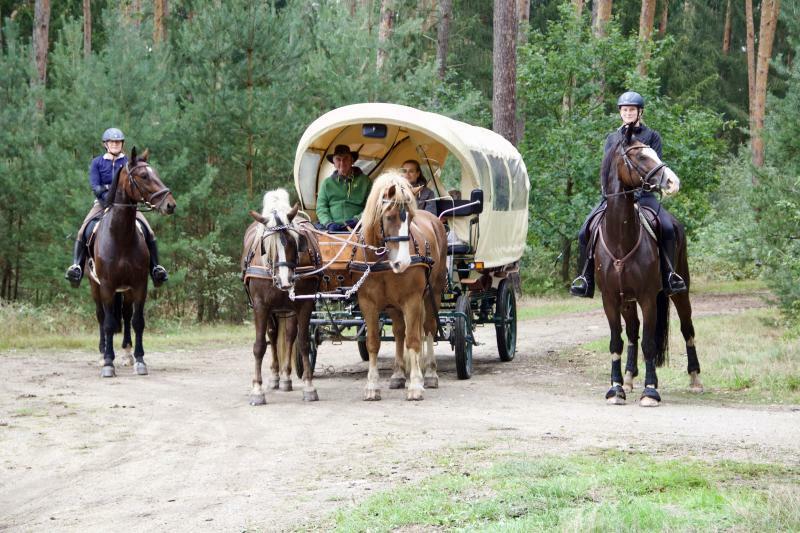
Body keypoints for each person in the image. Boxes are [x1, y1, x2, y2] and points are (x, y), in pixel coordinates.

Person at [570, 91, 687, 298]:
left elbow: (655, 169)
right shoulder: (612, 138)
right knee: (584, 231)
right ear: (620, 113)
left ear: (639, 112)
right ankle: (585, 279)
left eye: (632, 109)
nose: (628, 113)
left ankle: (670, 276)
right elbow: (605, 170)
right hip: (615, 199)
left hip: (644, 197)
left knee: (668, 228)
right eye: (625, 110)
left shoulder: (651, 136)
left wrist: (645, 190)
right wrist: (607, 193)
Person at [65, 127, 169, 288]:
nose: (115, 144)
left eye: (118, 142)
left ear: (122, 144)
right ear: (105, 144)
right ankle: (77, 267)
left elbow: (136, 184)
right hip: (102, 202)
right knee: (83, 231)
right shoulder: (97, 162)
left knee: (149, 231)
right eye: (112, 142)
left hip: (127, 206)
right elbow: (95, 185)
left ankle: (156, 268)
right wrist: (108, 200)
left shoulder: (128, 163)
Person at [316, 144, 371, 231]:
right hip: (332, 229)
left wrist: (357, 219)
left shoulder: (365, 181)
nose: (342, 163)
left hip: (359, 228)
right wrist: (328, 223)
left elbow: (372, 206)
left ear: (352, 161)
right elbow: (321, 208)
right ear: (334, 163)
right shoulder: (327, 184)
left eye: (346, 159)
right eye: (338, 159)